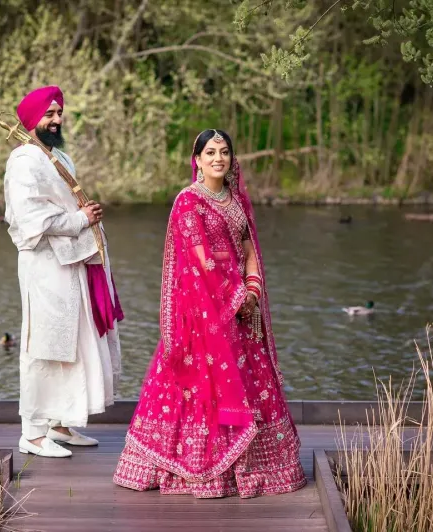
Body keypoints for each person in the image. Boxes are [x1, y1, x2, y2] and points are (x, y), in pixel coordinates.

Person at [113, 129, 306, 497]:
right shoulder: (189, 202)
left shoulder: (236, 201)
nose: (219, 158)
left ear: (232, 159)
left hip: (240, 307)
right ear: (197, 160)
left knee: (252, 380)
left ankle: (253, 467)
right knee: (198, 382)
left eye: (225, 152)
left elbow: (248, 248)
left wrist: (251, 288)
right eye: (211, 152)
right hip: (203, 313)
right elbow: (201, 260)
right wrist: (236, 296)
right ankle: (198, 469)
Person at [3, 85, 123, 458]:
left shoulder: (60, 158)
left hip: (71, 264)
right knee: (44, 344)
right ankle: (32, 432)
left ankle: (59, 424)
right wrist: (80, 219)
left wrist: (86, 219)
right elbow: (28, 219)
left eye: (59, 113)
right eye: (49, 114)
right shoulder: (24, 159)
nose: (56, 120)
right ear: (32, 120)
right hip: (44, 267)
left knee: (70, 341)